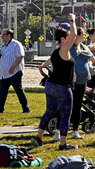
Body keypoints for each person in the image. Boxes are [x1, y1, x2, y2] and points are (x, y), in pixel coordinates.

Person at [31, 14, 78, 151]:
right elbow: (74, 36)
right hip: (62, 87)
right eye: (67, 37)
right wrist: (72, 20)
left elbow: (45, 64)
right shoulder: (64, 49)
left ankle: (38, 137)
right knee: (65, 115)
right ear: (63, 39)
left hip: (50, 85)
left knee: (49, 111)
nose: (70, 40)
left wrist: (41, 68)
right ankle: (63, 144)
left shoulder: (55, 52)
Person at [0, 29, 31, 114]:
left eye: (4, 35)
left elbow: (20, 56)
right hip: (4, 74)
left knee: (19, 91)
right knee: (2, 92)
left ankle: (26, 109)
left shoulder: (15, 44)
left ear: (9, 35)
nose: (2, 37)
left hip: (15, 73)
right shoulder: (3, 46)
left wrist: (13, 67)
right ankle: (0, 109)